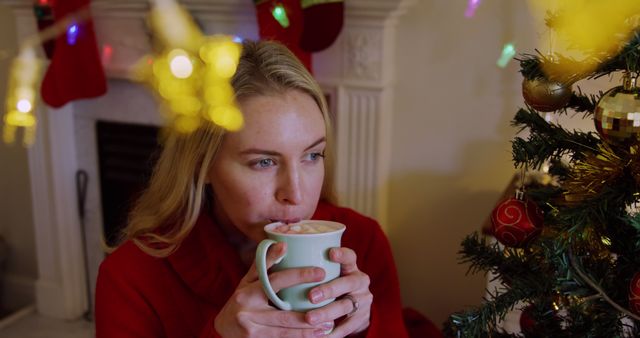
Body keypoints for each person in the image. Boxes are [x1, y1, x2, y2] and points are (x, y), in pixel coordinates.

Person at [96, 40, 425, 338]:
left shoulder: (362, 242)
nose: (295, 193)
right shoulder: (131, 276)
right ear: (201, 165)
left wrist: (365, 328)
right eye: (263, 162)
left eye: (312, 155)